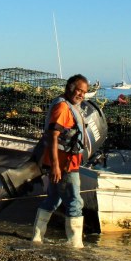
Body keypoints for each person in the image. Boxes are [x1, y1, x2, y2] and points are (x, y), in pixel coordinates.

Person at [30, 74, 90, 248]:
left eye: (84, 92)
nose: (81, 95)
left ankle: (37, 237)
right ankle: (75, 244)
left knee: (53, 199)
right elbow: (53, 136)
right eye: (79, 90)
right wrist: (56, 166)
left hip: (67, 162)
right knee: (75, 202)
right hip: (64, 164)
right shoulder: (63, 107)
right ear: (70, 88)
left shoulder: (71, 106)